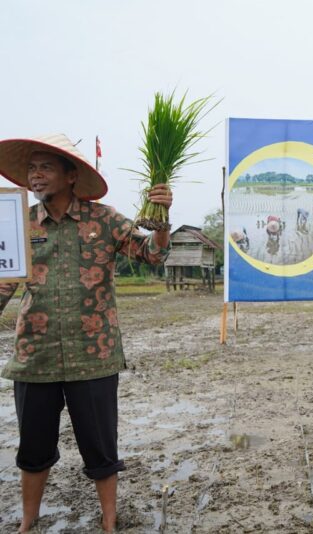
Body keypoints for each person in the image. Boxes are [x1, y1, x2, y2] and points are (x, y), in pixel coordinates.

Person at [0, 134, 172, 533]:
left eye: (45, 167)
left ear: (71, 175)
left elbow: (151, 255)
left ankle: (109, 522)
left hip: (93, 355)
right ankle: (28, 523)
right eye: (31, 169)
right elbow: (4, 286)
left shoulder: (104, 220)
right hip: (35, 356)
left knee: (100, 446)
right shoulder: (20, 223)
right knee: (33, 448)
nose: (36, 175)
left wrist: (161, 219)